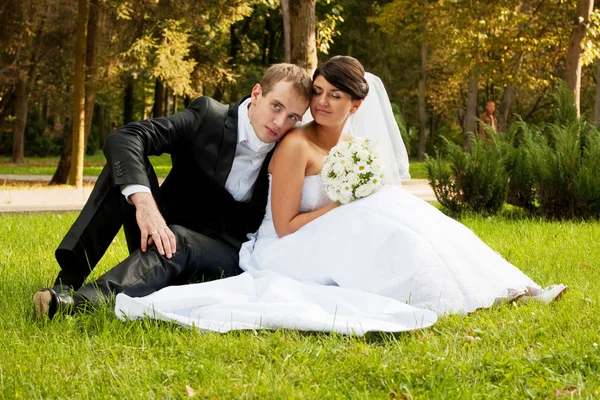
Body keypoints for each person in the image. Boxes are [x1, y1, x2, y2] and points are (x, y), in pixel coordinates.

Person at [114, 56, 566, 335]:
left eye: (335, 95)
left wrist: (356, 204)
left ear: (357, 104)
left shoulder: (354, 149)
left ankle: (511, 287)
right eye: (318, 93)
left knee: (413, 215)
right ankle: (434, 295)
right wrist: (340, 207)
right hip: (284, 246)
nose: (322, 103)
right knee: (382, 227)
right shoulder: (294, 143)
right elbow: (286, 225)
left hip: (328, 230)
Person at [33, 63, 313, 319]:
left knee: (179, 240)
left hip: (223, 256)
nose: (280, 123)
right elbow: (126, 137)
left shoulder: (288, 148)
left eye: (292, 116)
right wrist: (145, 204)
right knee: (124, 170)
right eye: (276, 106)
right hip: (157, 232)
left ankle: (79, 305)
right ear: (257, 93)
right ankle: (67, 282)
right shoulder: (208, 117)